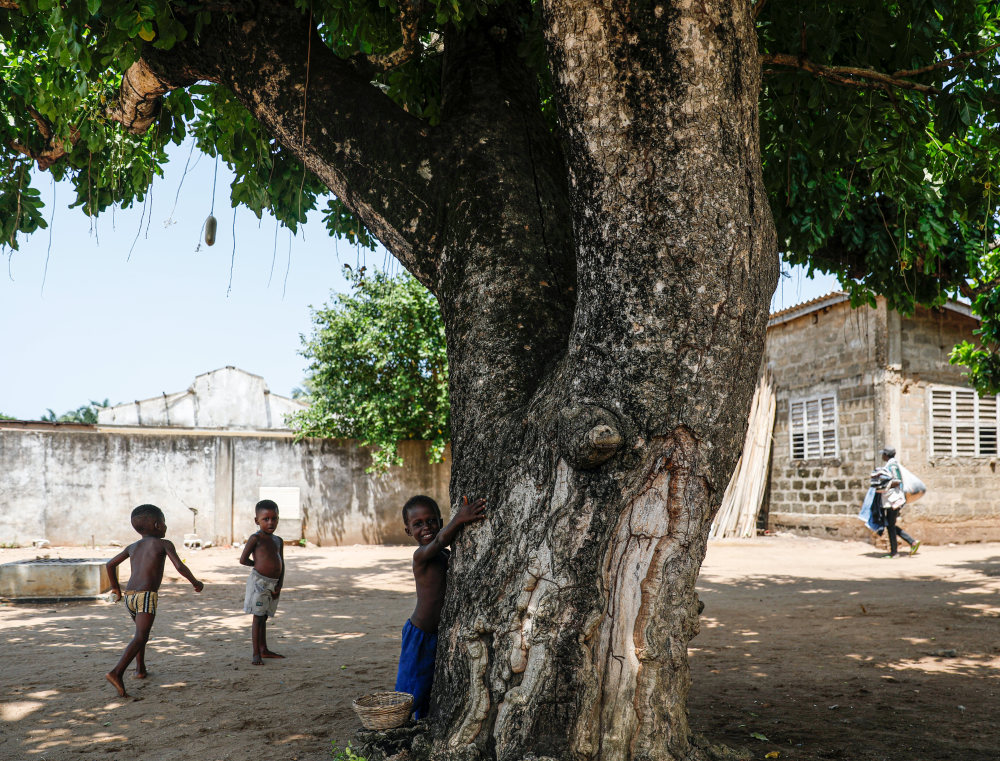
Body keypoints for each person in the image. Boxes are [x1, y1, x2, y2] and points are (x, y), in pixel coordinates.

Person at [396, 494, 486, 719]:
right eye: (418, 524)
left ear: (440, 521)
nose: (426, 527)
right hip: (419, 636)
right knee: (409, 690)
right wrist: (460, 519)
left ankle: (421, 722)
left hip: (438, 635)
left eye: (431, 521)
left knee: (430, 685)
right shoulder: (420, 556)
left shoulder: (445, 555)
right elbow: (438, 541)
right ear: (408, 531)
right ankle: (395, 727)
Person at [105, 504, 204, 697]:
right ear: (158, 524)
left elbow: (110, 564)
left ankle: (140, 669)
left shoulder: (132, 547)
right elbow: (179, 567)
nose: (166, 526)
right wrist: (195, 582)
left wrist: (115, 588)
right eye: (164, 522)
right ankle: (116, 672)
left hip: (130, 596)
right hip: (146, 596)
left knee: (139, 634)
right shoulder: (164, 544)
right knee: (141, 636)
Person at [240, 499, 285, 664]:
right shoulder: (255, 538)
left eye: (274, 518)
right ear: (256, 521)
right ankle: (255, 654)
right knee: (258, 617)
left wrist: (280, 584)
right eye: (265, 519)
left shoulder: (278, 541)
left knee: (264, 615)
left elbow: (282, 563)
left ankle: (264, 649)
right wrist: (258, 565)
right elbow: (243, 559)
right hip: (259, 582)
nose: (270, 522)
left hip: (273, 583)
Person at [872, 446, 921, 558]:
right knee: (890, 525)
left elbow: (897, 481)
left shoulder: (892, 466)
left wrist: (883, 485)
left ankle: (895, 552)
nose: (882, 456)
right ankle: (911, 542)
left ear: (886, 455)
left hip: (893, 500)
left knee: (890, 525)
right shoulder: (890, 465)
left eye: (883, 454)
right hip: (890, 500)